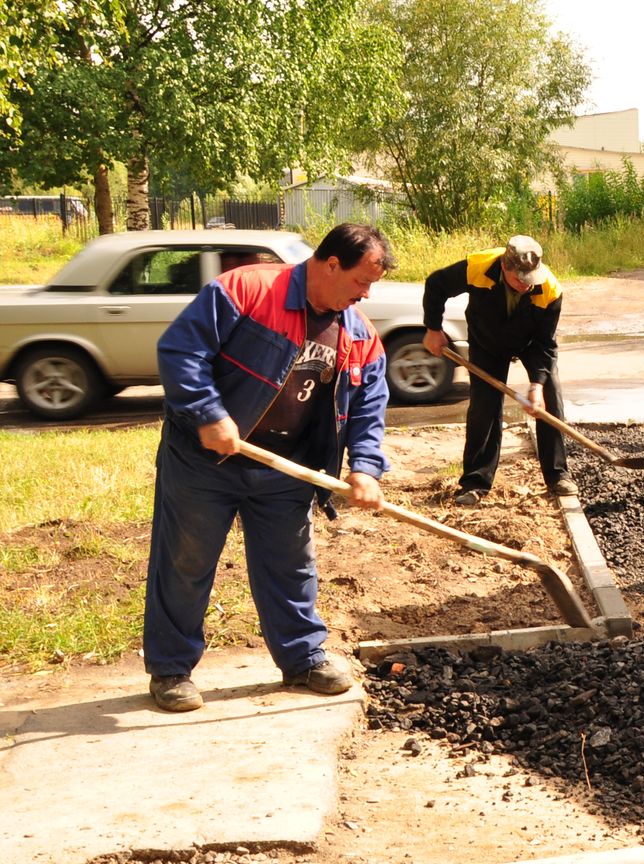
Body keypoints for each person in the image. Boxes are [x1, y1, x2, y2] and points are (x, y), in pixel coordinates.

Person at [144, 223, 394, 714]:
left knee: (291, 565)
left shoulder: (358, 334)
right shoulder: (248, 290)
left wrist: (365, 468)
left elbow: (369, 405)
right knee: (186, 561)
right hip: (205, 459)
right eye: (362, 281)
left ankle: (302, 658)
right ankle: (171, 668)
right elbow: (180, 351)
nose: (366, 293)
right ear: (330, 264)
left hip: (286, 467)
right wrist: (208, 414)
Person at [421, 235, 575, 505]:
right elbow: (436, 284)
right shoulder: (478, 267)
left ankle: (557, 475)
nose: (527, 286)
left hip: (529, 342)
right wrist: (433, 329)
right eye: (520, 280)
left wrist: (537, 385)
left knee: (550, 397)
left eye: (531, 280)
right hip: (487, 341)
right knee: (484, 406)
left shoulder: (549, 289)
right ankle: (475, 482)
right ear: (505, 267)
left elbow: (545, 344)